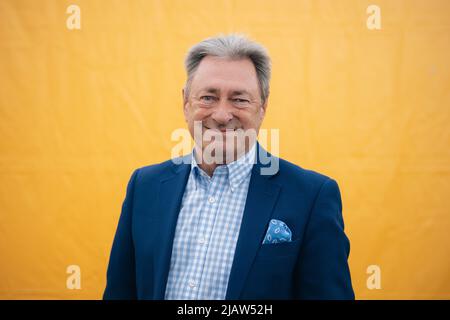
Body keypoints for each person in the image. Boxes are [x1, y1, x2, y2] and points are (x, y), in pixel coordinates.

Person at [103, 34, 354, 300]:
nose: (222, 115)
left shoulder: (311, 196)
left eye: (240, 99)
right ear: (186, 103)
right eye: (208, 97)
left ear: (263, 107)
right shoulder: (144, 186)